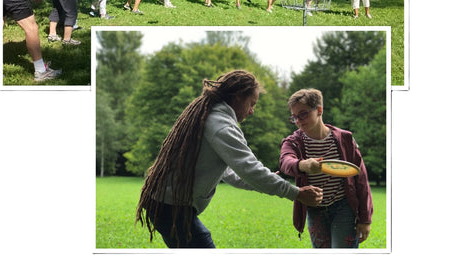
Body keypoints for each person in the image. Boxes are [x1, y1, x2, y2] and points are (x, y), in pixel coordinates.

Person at [135, 70, 323, 248]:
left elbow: (231, 173)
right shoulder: (221, 125)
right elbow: (251, 168)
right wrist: (295, 193)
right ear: (237, 97)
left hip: (167, 203)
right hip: (170, 206)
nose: (252, 111)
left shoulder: (211, 117)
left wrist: (258, 182)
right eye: (252, 103)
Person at [279, 88, 373, 249]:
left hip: (343, 207)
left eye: (303, 114)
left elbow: (361, 180)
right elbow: (285, 162)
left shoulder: (344, 139)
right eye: (294, 117)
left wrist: (365, 219)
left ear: (319, 110)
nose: (299, 121)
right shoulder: (293, 142)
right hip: (314, 209)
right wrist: (303, 165)